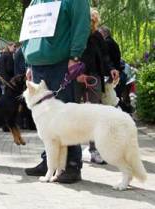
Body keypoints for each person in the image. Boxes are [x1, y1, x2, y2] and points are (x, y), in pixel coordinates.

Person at [22, 0, 90, 183]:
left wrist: (75, 56)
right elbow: (29, 31)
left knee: (67, 118)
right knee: (47, 123)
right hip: (37, 66)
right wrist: (28, 61)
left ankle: (72, 165)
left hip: (61, 64)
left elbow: (81, 24)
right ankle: (49, 162)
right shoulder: (36, 1)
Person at [75, 8, 119, 164]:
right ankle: (73, 151)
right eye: (89, 20)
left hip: (94, 76)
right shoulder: (75, 33)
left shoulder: (97, 37)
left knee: (96, 114)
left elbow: (105, 56)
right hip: (76, 77)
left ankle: (95, 150)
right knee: (73, 112)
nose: (91, 23)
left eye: (93, 20)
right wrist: (76, 73)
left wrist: (112, 68)